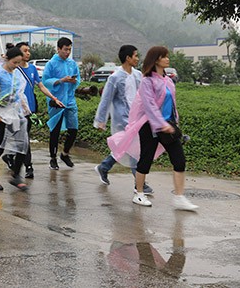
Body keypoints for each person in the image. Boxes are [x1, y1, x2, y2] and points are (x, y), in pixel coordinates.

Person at [107, 46, 198, 211]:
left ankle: (179, 197)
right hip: (150, 125)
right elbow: (149, 106)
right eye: (164, 57)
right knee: (145, 160)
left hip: (168, 125)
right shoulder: (147, 81)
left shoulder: (168, 80)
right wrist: (161, 125)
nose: (168, 59)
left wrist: (173, 122)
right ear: (156, 59)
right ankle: (139, 192)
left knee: (179, 160)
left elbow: (172, 105)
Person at [93, 45, 153, 195]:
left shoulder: (138, 75)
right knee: (134, 149)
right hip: (122, 119)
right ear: (128, 58)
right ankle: (140, 183)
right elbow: (106, 99)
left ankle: (104, 167)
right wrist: (101, 120)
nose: (138, 59)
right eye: (135, 56)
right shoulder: (115, 78)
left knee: (124, 147)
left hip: (137, 119)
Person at [3, 42, 63, 178]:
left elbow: (41, 86)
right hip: (15, 110)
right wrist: (4, 59)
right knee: (23, 138)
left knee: (23, 138)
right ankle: (28, 166)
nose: (28, 53)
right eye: (25, 51)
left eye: (29, 50)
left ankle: (10, 156)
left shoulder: (33, 69)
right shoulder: (14, 69)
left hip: (29, 109)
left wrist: (53, 97)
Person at [0, 46, 31, 191]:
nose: (16, 66)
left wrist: (24, 106)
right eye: (14, 62)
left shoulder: (16, 74)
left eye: (18, 63)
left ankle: (16, 175)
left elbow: (18, 93)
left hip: (14, 113)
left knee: (23, 144)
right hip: (0, 115)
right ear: (7, 59)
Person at [43, 37, 81, 170]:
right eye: (65, 49)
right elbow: (45, 81)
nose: (68, 52)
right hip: (56, 100)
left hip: (70, 100)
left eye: (70, 49)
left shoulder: (72, 63)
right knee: (55, 130)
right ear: (58, 49)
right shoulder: (51, 64)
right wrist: (60, 80)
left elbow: (78, 79)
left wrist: (73, 81)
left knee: (73, 129)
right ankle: (53, 158)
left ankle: (65, 153)